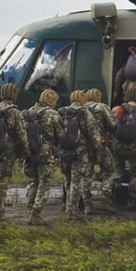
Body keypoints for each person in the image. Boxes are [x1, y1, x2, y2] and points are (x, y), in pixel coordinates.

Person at [22, 88, 66, 225]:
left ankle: (30, 210)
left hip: (30, 152)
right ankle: (36, 213)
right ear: (52, 101)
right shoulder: (53, 114)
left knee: (32, 181)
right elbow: (61, 136)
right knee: (44, 183)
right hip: (46, 154)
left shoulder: (29, 112)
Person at [0, 83, 29, 226]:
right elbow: (21, 134)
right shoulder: (14, 111)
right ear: (14, 95)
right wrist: (26, 150)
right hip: (7, 151)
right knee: (2, 183)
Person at [59, 89, 101, 220]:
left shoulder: (61, 112)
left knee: (68, 180)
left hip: (64, 152)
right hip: (79, 152)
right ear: (82, 100)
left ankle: (67, 207)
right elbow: (94, 134)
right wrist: (97, 151)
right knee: (76, 181)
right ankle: (72, 212)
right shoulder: (85, 113)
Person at [84, 87, 118, 212]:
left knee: (86, 175)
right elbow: (112, 125)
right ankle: (105, 200)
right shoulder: (102, 107)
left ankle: (87, 204)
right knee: (110, 171)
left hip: (84, 148)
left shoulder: (82, 108)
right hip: (101, 145)